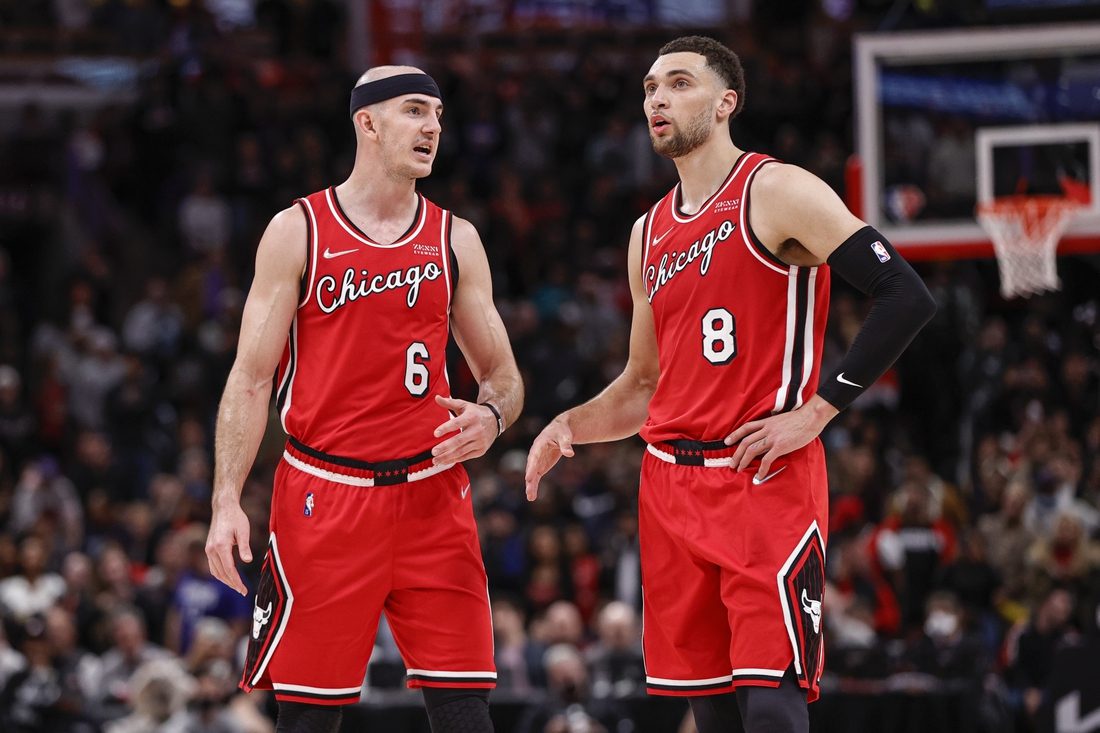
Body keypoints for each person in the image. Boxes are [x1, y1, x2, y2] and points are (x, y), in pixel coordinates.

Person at [525, 36, 935, 733]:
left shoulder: (776, 189)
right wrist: (569, 423)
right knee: (711, 716)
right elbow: (643, 384)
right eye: (651, 87)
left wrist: (819, 410)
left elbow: (905, 294)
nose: (657, 98)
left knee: (771, 706)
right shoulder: (646, 231)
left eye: (679, 83)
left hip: (762, 479)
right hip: (670, 490)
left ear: (725, 103)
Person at [205, 65, 523, 733]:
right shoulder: (298, 230)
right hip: (328, 496)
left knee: (467, 711)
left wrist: (492, 418)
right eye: (414, 110)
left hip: (434, 497)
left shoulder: (456, 238)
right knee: (308, 718)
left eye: (437, 114)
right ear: (367, 122)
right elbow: (250, 376)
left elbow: (504, 376)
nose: (432, 126)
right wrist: (226, 498)